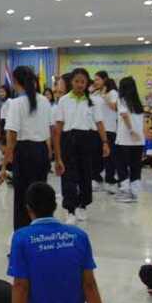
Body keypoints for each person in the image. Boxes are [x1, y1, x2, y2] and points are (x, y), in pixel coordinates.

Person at [0, 182, 128, 303]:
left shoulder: (21, 237)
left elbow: (21, 286)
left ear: (28, 209)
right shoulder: (79, 235)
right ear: (55, 206)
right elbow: (89, 285)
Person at [52, 68, 109, 224]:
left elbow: (99, 123)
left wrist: (105, 142)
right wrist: (56, 150)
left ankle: (83, 205)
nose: (79, 84)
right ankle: (70, 210)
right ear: (71, 82)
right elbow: (58, 126)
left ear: (86, 83)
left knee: (85, 174)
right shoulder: (63, 100)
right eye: (77, 81)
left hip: (87, 140)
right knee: (68, 175)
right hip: (68, 140)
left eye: (83, 82)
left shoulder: (93, 101)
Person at [2, 66, 53, 230]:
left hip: (24, 152)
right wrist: (49, 151)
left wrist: (5, 163)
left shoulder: (16, 103)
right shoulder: (45, 101)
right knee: (40, 193)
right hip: (41, 150)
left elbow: (12, 135)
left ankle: (22, 231)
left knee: (22, 195)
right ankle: (40, 230)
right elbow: (50, 130)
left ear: (16, 82)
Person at [115, 76, 145, 203]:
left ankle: (125, 191)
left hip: (125, 139)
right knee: (135, 166)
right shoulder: (138, 102)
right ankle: (134, 193)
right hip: (139, 140)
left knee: (121, 165)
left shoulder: (121, 100)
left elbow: (124, 115)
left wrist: (131, 131)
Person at [91, 72, 119, 193]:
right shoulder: (94, 93)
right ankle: (96, 179)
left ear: (105, 80)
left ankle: (110, 181)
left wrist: (104, 96)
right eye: (95, 79)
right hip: (96, 129)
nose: (95, 82)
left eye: (98, 79)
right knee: (96, 156)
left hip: (109, 129)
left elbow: (115, 107)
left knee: (109, 157)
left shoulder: (112, 93)